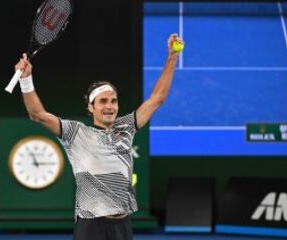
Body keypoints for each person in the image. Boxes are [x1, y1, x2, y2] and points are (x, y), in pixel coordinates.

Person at [15, 33, 184, 240]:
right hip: (91, 226)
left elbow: (157, 98)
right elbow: (38, 115)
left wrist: (172, 58)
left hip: (122, 225)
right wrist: (26, 80)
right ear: (91, 107)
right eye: (103, 101)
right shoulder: (75, 133)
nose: (110, 106)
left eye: (113, 101)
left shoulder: (126, 127)